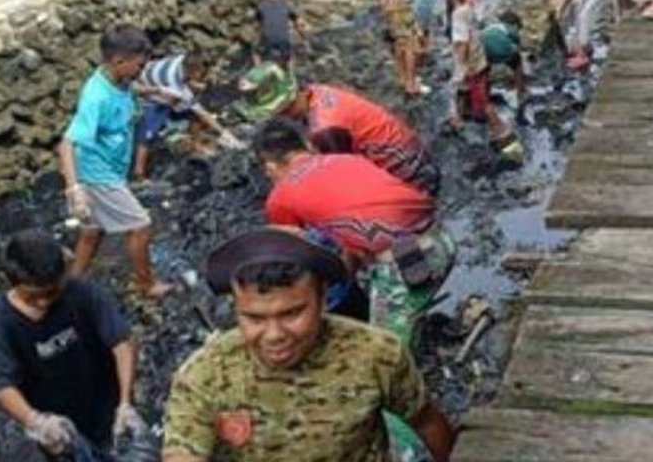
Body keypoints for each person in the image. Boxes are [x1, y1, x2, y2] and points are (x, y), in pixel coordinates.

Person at [161, 228, 456, 462]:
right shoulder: (205, 375)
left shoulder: (375, 353)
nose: (274, 334)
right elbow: (183, 452)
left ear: (322, 300)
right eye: (254, 318)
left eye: (292, 313)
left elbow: (426, 421)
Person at [253, 119, 452, 341]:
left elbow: (292, 256)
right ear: (306, 146)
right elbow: (358, 228)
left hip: (411, 260)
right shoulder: (346, 159)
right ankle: (415, 324)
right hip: (442, 237)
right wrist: (346, 275)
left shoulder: (281, 197)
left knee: (385, 347)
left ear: (270, 167)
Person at [0, 230, 145, 459]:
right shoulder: (0, 323)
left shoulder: (82, 293)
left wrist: (125, 403)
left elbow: (121, 341)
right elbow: (2, 384)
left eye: (51, 293)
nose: (43, 303)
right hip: (58, 429)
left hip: (107, 407)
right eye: (32, 297)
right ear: (9, 281)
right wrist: (35, 421)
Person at [58, 24, 172, 299]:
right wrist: (75, 192)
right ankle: (146, 285)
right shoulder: (95, 97)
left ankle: (70, 285)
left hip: (110, 168)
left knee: (92, 233)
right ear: (118, 61)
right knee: (140, 225)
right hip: (97, 175)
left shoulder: (119, 79)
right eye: (139, 66)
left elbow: (130, 89)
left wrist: (155, 92)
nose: (141, 71)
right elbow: (66, 144)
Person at [239, 63, 441, 195]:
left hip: (410, 178)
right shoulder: (317, 92)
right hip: (414, 157)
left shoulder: (325, 128)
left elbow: (343, 179)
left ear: (280, 108)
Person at [133, 50, 244, 179]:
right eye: (202, 73)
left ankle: (195, 145)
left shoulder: (184, 59)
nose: (205, 76)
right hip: (149, 93)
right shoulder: (175, 83)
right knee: (149, 133)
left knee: (193, 114)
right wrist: (225, 134)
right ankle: (138, 171)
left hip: (163, 84)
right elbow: (200, 111)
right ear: (193, 70)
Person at [448, 0, 523, 161]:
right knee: (468, 91)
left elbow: (461, 43)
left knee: (481, 100)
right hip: (479, 58)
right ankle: (459, 118)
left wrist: (460, 68)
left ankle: (505, 135)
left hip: (470, 63)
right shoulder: (468, 8)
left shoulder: (458, 14)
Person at [254, 0, 307, 69]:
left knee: (256, 53)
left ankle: (257, 71)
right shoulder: (286, 5)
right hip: (283, 39)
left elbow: (258, 24)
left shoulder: (261, 6)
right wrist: (303, 37)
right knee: (290, 56)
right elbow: (299, 22)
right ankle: (290, 73)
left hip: (268, 38)